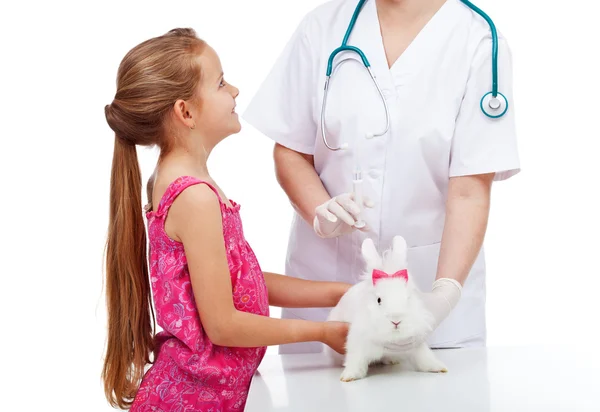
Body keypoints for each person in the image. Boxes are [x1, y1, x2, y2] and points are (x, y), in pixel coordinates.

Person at [243, 0, 520, 354]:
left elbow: (469, 188)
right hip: (325, 294)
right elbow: (291, 150)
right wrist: (319, 211)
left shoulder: (477, 41)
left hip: (427, 293)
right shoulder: (323, 27)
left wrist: (444, 294)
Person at [101, 28, 350, 411]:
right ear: (185, 111)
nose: (233, 90)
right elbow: (223, 324)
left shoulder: (188, 186)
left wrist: (335, 293)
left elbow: (237, 283)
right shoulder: (194, 197)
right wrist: (321, 331)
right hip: (197, 399)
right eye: (219, 82)